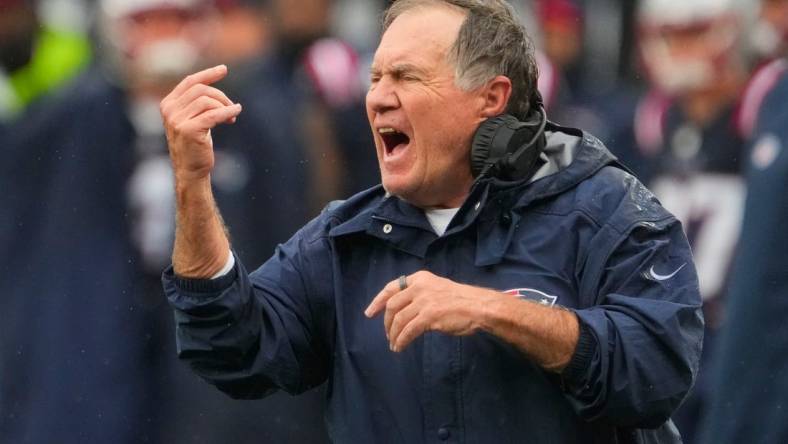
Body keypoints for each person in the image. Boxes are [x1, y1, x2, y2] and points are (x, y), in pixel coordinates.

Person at [160, 1, 704, 442]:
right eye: (375, 77)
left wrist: (495, 310)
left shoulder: (606, 209)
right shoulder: (345, 237)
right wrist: (191, 183)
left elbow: (657, 371)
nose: (377, 99)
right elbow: (230, 348)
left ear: (491, 99)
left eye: (406, 76)